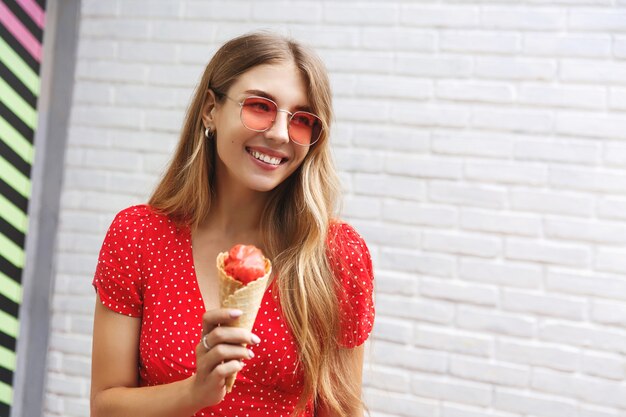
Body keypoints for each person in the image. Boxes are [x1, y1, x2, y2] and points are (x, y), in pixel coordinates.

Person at [90, 31, 375, 417]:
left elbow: (341, 410)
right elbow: (105, 406)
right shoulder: (138, 235)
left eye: (302, 119)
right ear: (211, 109)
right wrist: (195, 391)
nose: (278, 133)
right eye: (260, 107)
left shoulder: (335, 254)